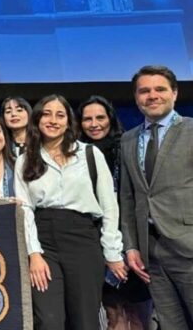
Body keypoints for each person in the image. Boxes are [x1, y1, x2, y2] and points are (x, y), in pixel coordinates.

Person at [15, 94, 127, 330]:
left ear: (69, 121)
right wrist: (34, 254)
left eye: (60, 114)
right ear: (36, 119)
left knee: (86, 321)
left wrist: (112, 252)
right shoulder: (25, 160)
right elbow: (24, 209)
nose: (53, 120)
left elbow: (109, 206)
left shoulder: (89, 154)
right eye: (46, 114)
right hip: (44, 241)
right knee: (49, 320)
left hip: (83, 240)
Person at [120, 65, 193, 328]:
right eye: (144, 91)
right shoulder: (128, 140)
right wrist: (131, 246)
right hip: (151, 253)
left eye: (160, 89)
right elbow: (128, 198)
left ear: (174, 93)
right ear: (137, 97)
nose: (152, 95)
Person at [78, 95, 152, 330]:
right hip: (95, 241)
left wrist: (130, 244)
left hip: (133, 240)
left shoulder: (128, 148)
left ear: (111, 118)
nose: (94, 124)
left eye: (100, 117)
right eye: (87, 119)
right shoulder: (75, 154)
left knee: (139, 315)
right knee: (114, 315)